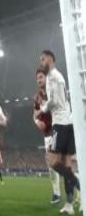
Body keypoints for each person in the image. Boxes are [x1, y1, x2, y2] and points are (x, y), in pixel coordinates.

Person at [38, 50, 80, 214]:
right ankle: (69, 205)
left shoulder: (52, 77)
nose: (42, 62)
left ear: (51, 59)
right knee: (67, 164)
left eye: (43, 59)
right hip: (69, 122)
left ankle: (79, 183)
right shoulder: (58, 76)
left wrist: (42, 108)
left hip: (60, 124)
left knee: (52, 160)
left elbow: (53, 101)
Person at [34, 68, 61, 205]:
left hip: (58, 130)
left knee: (64, 163)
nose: (39, 80)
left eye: (41, 77)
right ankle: (56, 193)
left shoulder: (53, 90)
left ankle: (79, 191)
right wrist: (37, 122)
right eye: (37, 78)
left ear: (47, 78)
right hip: (47, 135)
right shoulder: (37, 97)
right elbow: (35, 114)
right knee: (52, 166)